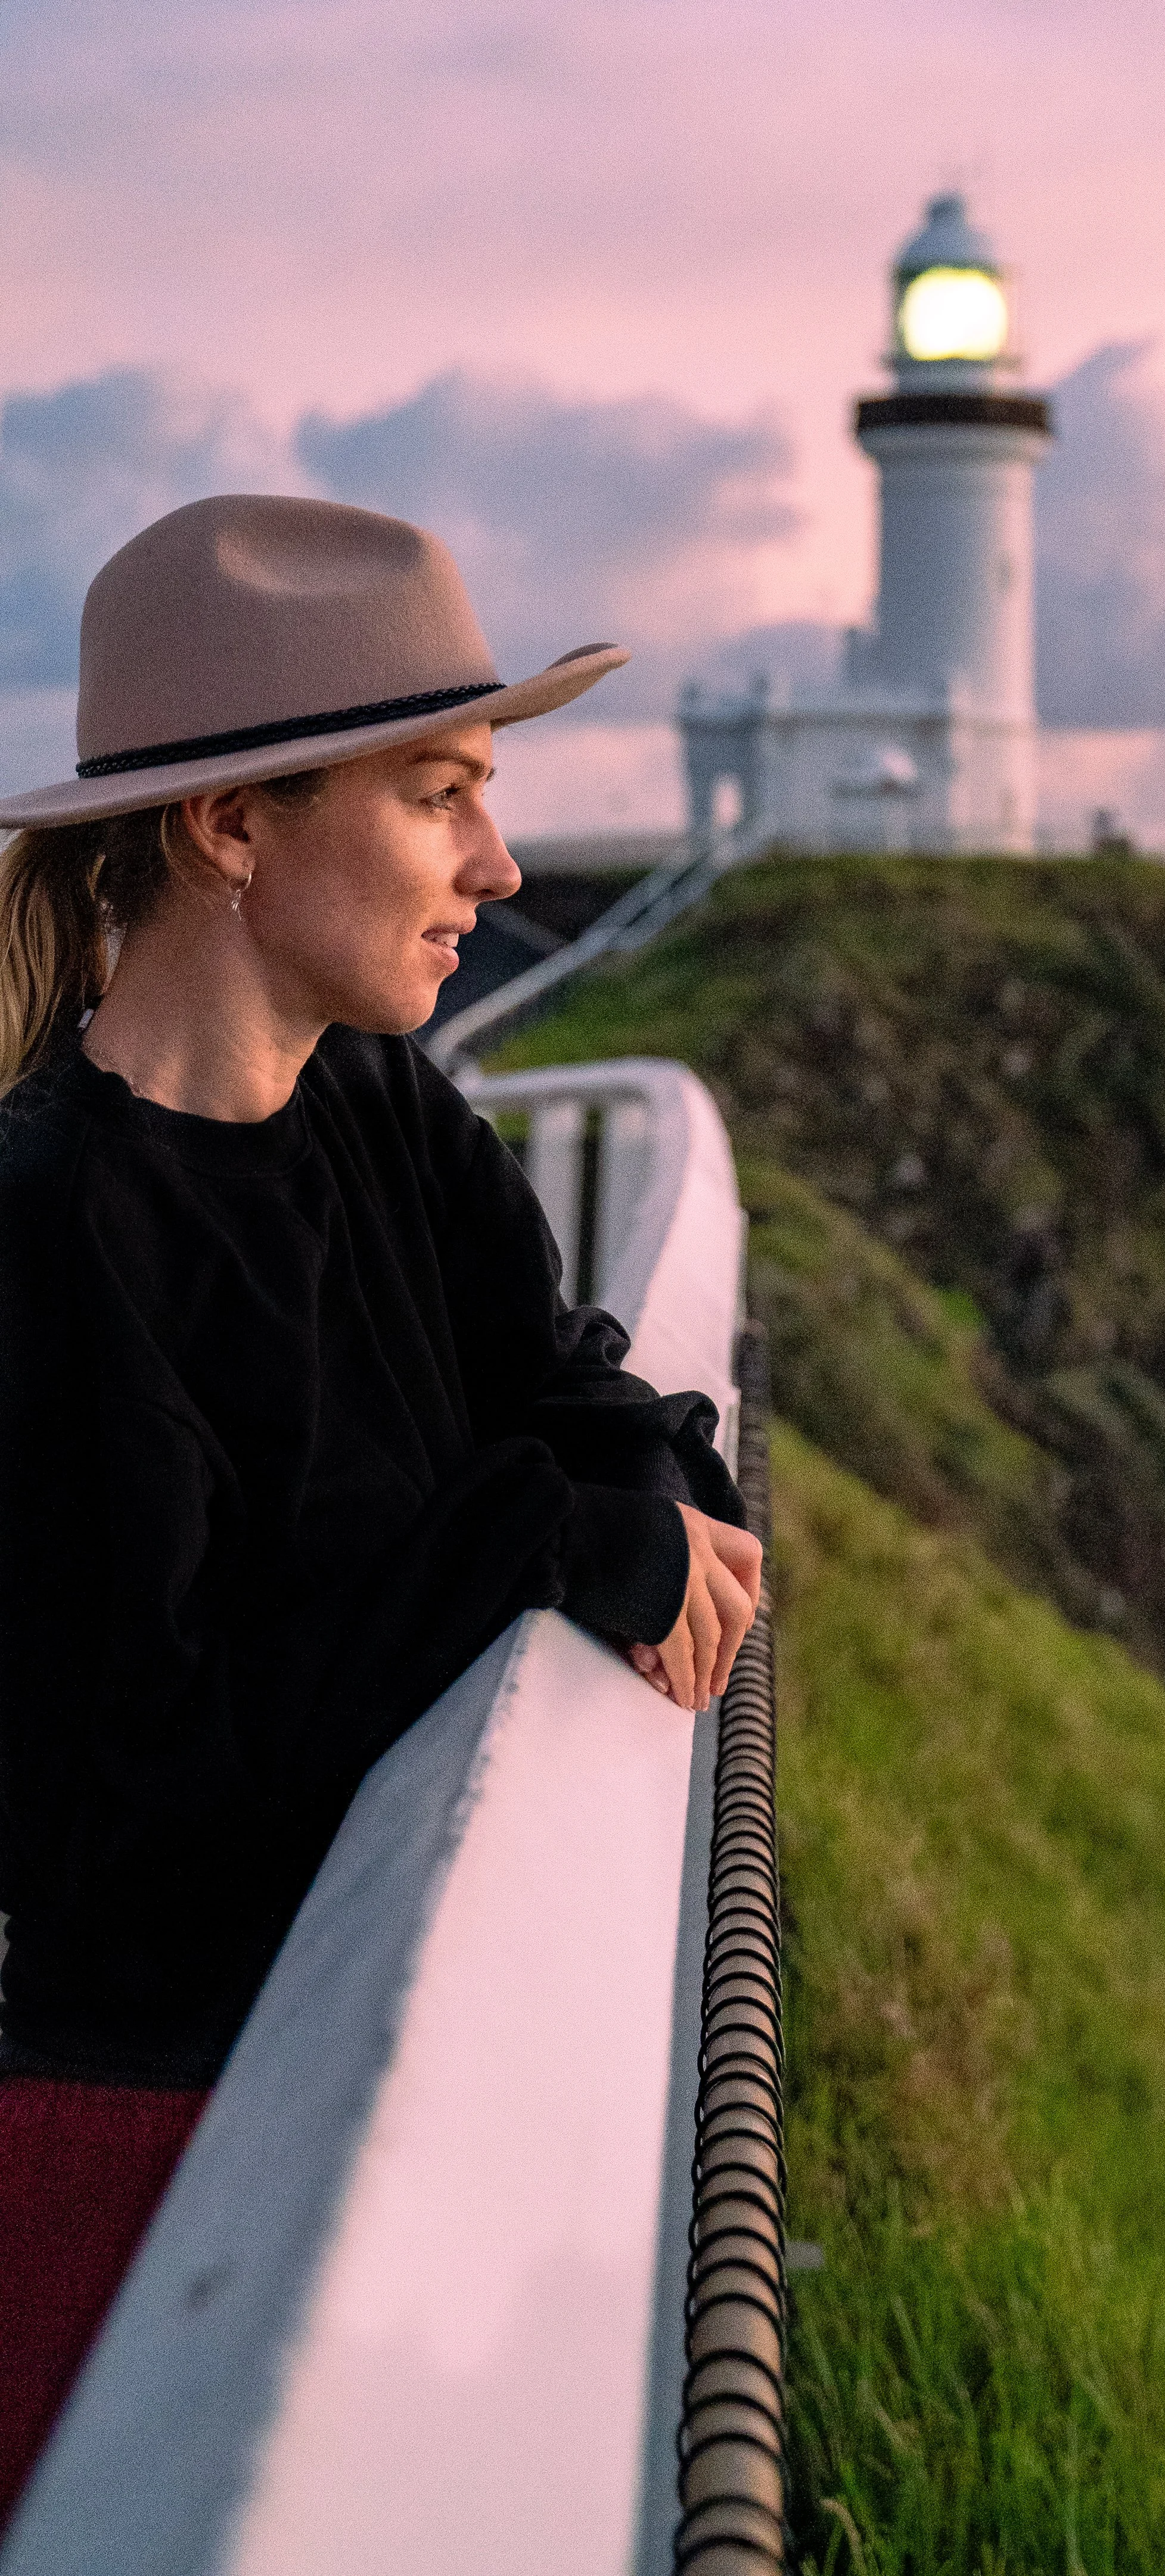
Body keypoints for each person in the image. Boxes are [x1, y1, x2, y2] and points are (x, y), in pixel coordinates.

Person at [0, 493, 761, 2515]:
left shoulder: (376, 1102)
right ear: (232, 829)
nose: (498, 871)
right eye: (441, 800)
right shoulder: (53, 1237)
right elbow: (143, 1809)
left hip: (337, 2075)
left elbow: (605, 1407)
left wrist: (594, 1491)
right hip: (138, 2171)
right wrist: (535, 1531)